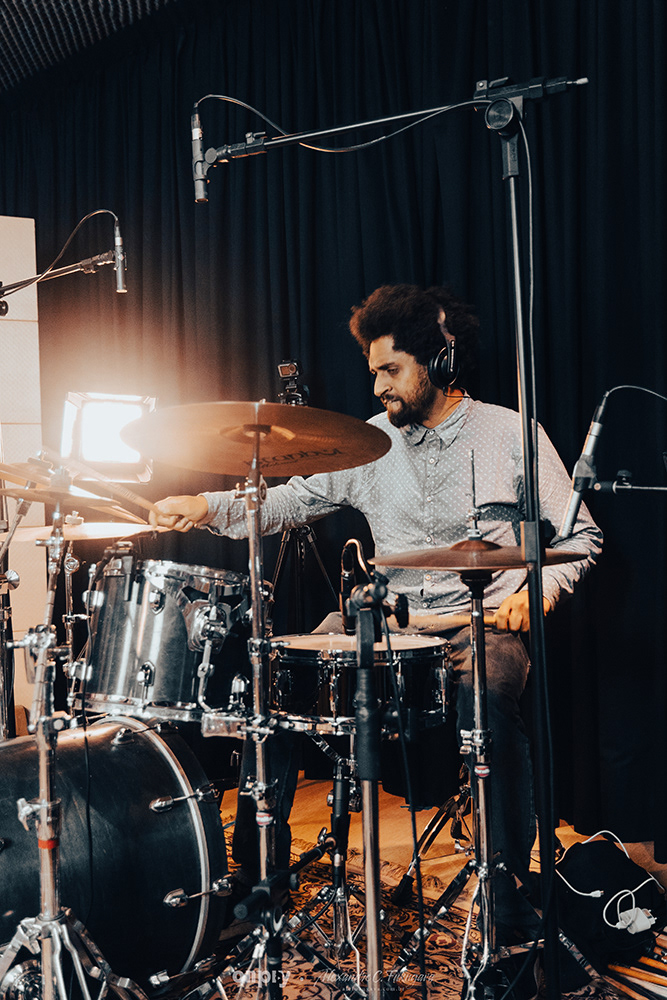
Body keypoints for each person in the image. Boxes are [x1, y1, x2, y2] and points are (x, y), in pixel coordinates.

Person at [149, 283, 603, 940]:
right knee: (277, 683)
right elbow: (289, 502)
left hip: (475, 627)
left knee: (488, 700)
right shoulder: (370, 442)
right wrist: (204, 506)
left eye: (390, 370)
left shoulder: (511, 434)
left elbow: (580, 536)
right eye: (373, 373)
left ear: (439, 361)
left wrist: (537, 594)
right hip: (385, 624)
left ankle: (506, 897)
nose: (378, 387)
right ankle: (255, 881)